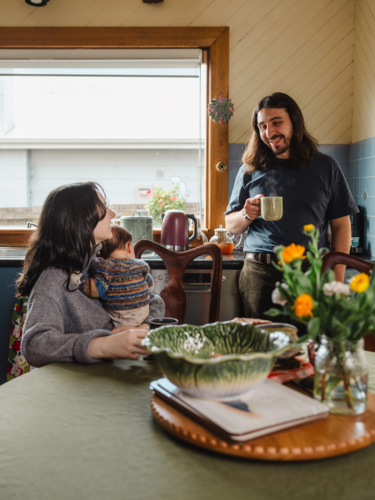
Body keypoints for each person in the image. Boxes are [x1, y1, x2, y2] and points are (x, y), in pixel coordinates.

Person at [225, 92, 358, 321]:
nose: (269, 132)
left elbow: (341, 225)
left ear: (294, 122)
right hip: (260, 274)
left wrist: (336, 280)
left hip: (311, 272)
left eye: (276, 122)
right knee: (262, 350)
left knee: (309, 348)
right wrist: (247, 214)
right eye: (262, 126)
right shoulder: (250, 168)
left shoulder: (326, 166)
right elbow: (230, 225)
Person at [17, 182, 165, 368]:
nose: (112, 214)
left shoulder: (104, 263)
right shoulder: (54, 278)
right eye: (103, 208)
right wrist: (102, 344)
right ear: (80, 220)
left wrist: (143, 328)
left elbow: (150, 300)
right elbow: (34, 346)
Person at [79, 225, 154, 328]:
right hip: (143, 313)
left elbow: (97, 290)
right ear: (128, 246)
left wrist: (79, 281)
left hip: (120, 318)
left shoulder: (104, 267)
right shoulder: (140, 265)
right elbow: (150, 287)